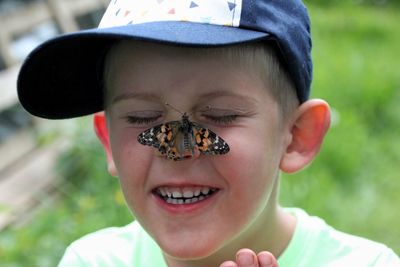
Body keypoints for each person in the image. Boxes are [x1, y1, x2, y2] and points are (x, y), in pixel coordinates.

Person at [17, 0, 400, 266]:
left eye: (220, 115)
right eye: (142, 118)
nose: (177, 151)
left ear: (298, 136)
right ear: (109, 143)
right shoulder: (91, 262)